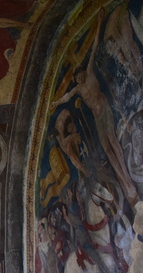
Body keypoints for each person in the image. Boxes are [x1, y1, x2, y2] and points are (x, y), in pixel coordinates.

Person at [50, 10, 138, 204]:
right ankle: (124, 183)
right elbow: (67, 96)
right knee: (106, 148)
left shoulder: (89, 73)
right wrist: (56, 102)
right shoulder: (79, 89)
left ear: (82, 73)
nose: (79, 79)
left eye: (79, 75)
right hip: (97, 116)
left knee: (113, 141)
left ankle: (127, 177)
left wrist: (99, 23)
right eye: (76, 79)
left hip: (104, 108)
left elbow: (95, 46)